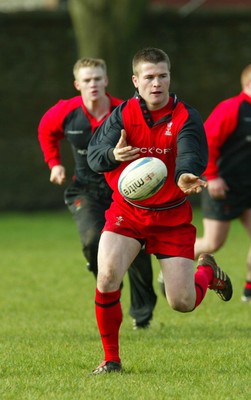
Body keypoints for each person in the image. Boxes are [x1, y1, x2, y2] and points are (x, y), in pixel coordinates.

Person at [87, 47, 233, 375]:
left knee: (182, 303)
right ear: (136, 81)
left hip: (171, 217)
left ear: (169, 77)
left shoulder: (185, 115)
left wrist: (184, 174)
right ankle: (111, 359)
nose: (157, 83)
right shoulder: (122, 115)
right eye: (149, 77)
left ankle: (207, 269)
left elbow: (192, 151)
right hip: (129, 212)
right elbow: (94, 157)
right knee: (107, 276)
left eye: (162, 76)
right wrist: (114, 153)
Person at [38, 57, 157, 330]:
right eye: (87, 80)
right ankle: (103, 273)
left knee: (139, 252)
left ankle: (142, 316)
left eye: (97, 79)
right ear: (77, 84)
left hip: (126, 191)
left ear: (106, 81)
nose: (93, 84)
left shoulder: (126, 110)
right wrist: (54, 163)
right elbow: (46, 131)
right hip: (86, 190)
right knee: (93, 240)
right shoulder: (65, 112)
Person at [194, 64, 251, 302]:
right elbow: (206, 141)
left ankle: (249, 287)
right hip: (222, 187)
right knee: (212, 242)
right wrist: (213, 176)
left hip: (248, 187)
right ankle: (174, 261)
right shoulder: (231, 108)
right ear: (247, 84)